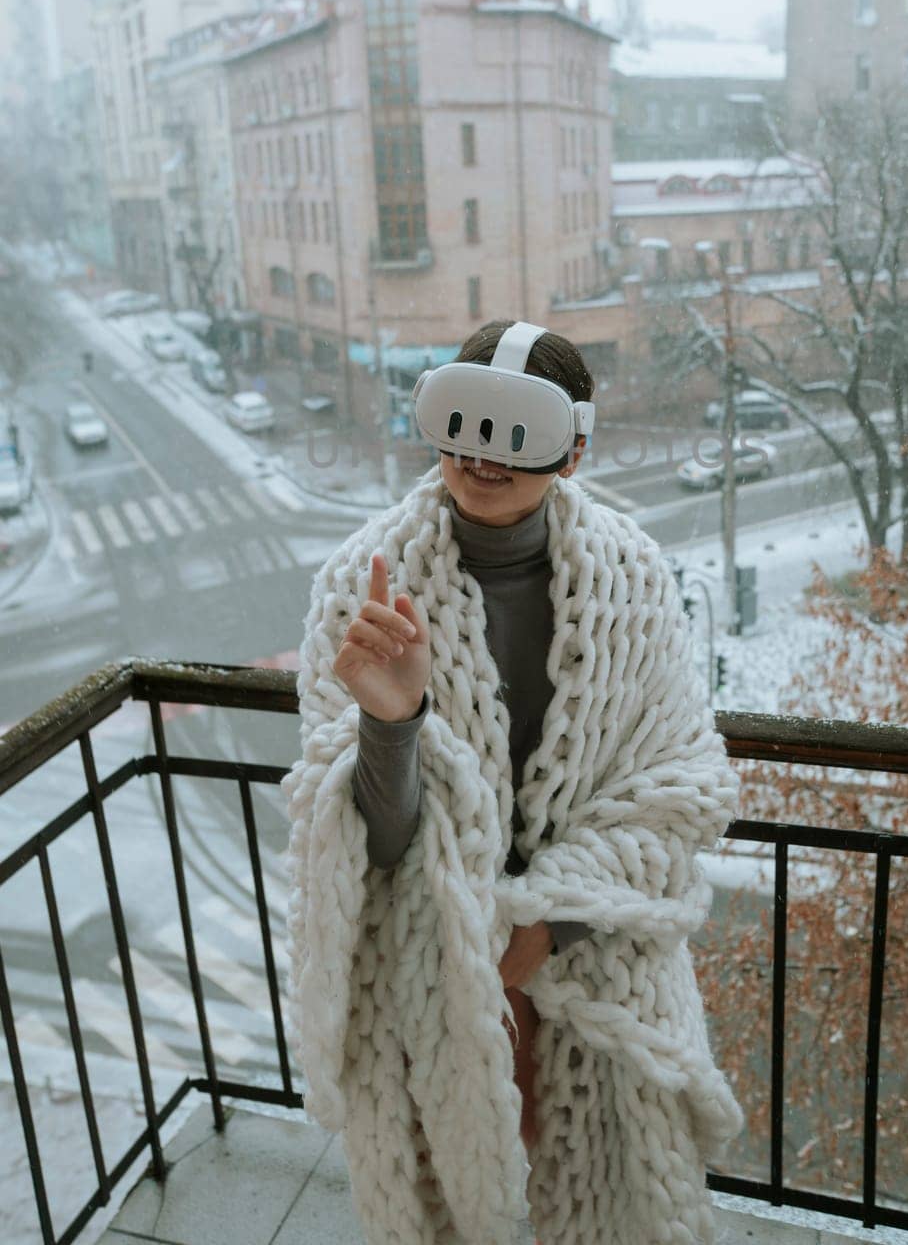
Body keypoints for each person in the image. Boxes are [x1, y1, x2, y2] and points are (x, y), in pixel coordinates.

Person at [283, 319, 742, 1245]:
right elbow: (359, 842)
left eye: (515, 433)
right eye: (462, 423)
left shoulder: (634, 579)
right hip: (434, 963)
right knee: (458, 1189)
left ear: (572, 449)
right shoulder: (361, 584)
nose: (482, 457)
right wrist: (390, 721)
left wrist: (545, 927)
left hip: (591, 951)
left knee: (608, 1189)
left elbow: (680, 783)